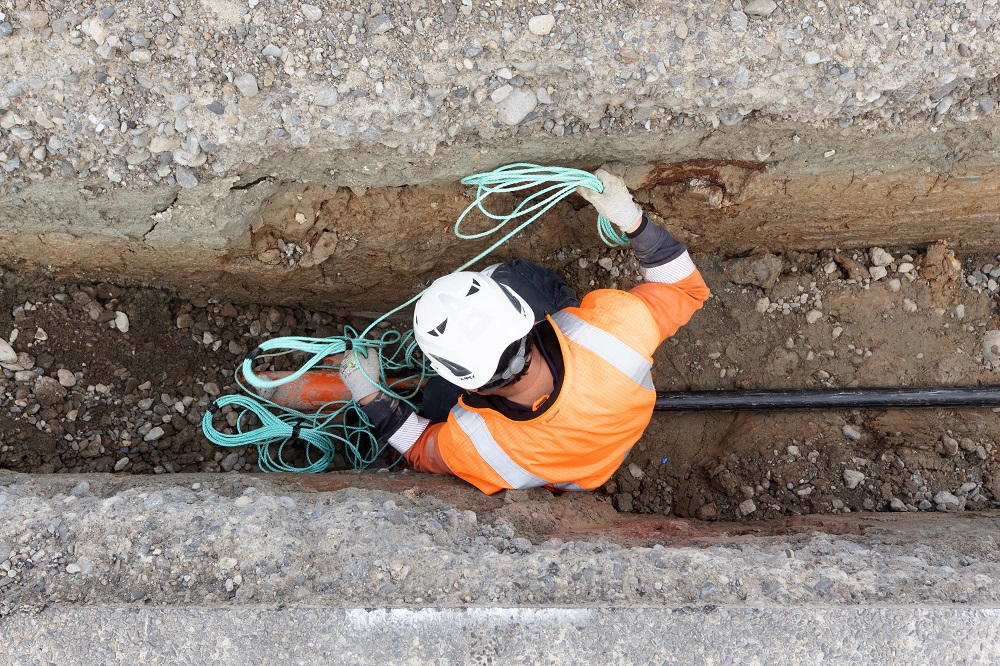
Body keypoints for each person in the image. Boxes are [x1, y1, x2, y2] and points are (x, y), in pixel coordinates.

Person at [340, 168, 710, 494]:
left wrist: (369, 396)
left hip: (571, 475)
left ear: (466, 385)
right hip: (610, 441)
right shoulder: (615, 330)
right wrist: (632, 220)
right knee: (507, 275)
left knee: (436, 405)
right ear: (521, 314)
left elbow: (422, 448)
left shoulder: (475, 445)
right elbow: (686, 288)